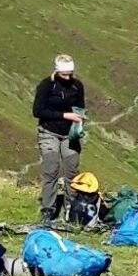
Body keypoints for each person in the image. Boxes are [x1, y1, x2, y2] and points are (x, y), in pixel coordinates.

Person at [32, 54, 87, 223]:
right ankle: (48, 210)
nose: (68, 77)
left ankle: (71, 210)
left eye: (70, 74)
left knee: (72, 170)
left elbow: (80, 108)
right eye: (64, 74)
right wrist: (66, 115)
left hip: (70, 133)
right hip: (49, 132)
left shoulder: (77, 86)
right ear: (57, 72)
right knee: (51, 170)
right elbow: (38, 111)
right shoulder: (46, 86)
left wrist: (79, 123)